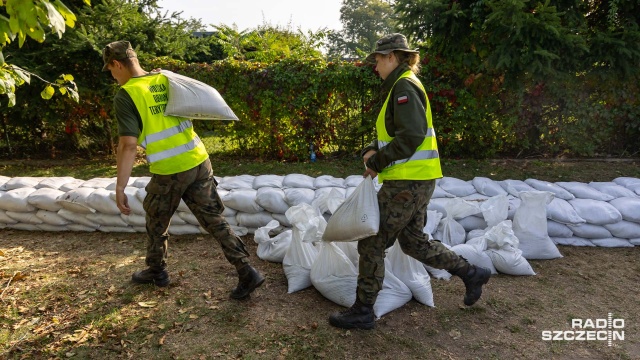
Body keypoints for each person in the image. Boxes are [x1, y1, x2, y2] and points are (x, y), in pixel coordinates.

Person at [328, 34, 491, 330]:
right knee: (415, 243)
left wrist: (376, 162)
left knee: (372, 242)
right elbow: (395, 133)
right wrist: (371, 149)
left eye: (377, 59)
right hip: (415, 181)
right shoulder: (400, 86)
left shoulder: (403, 86)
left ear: (392, 56)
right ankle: (471, 273)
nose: (374, 65)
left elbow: (412, 136)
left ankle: (364, 310)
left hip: (406, 184)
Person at [102, 40, 264, 299]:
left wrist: (120, 186)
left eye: (110, 70)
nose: (112, 76)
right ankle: (247, 271)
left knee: (156, 219)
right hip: (199, 160)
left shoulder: (126, 95)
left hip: (170, 169)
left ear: (117, 64)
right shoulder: (165, 79)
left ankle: (156, 270)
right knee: (214, 219)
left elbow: (129, 144)